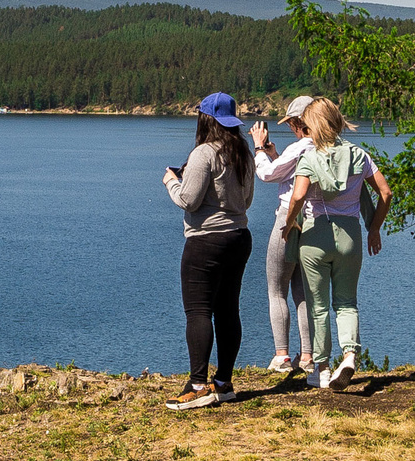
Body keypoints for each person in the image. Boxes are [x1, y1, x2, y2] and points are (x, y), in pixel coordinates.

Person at [286, 98, 392, 391]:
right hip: (350, 236)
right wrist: (374, 228)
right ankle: (349, 358)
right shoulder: (359, 155)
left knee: (317, 306)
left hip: (315, 236)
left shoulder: (308, 158)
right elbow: (385, 192)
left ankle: (321, 370)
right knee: (346, 302)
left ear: (314, 125)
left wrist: (289, 224)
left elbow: (297, 197)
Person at [162, 93, 254, 410]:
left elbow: (188, 200)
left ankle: (198, 385)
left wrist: (172, 182)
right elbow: (247, 201)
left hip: (205, 241)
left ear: (205, 119)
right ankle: (224, 382)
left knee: (198, 311)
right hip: (239, 237)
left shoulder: (203, 154)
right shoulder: (243, 152)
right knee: (228, 309)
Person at [249, 96, 316, 376]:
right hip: (314, 222)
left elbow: (267, 174)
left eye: (291, 124)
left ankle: (282, 355)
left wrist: (258, 148)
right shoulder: (324, 147)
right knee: (304, 293)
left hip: (289, 219)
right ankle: (308, 356)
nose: (290, 129)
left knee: (277, 289)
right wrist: (276, 154)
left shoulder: (302, 145)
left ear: (300, 122)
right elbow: (291, 174)